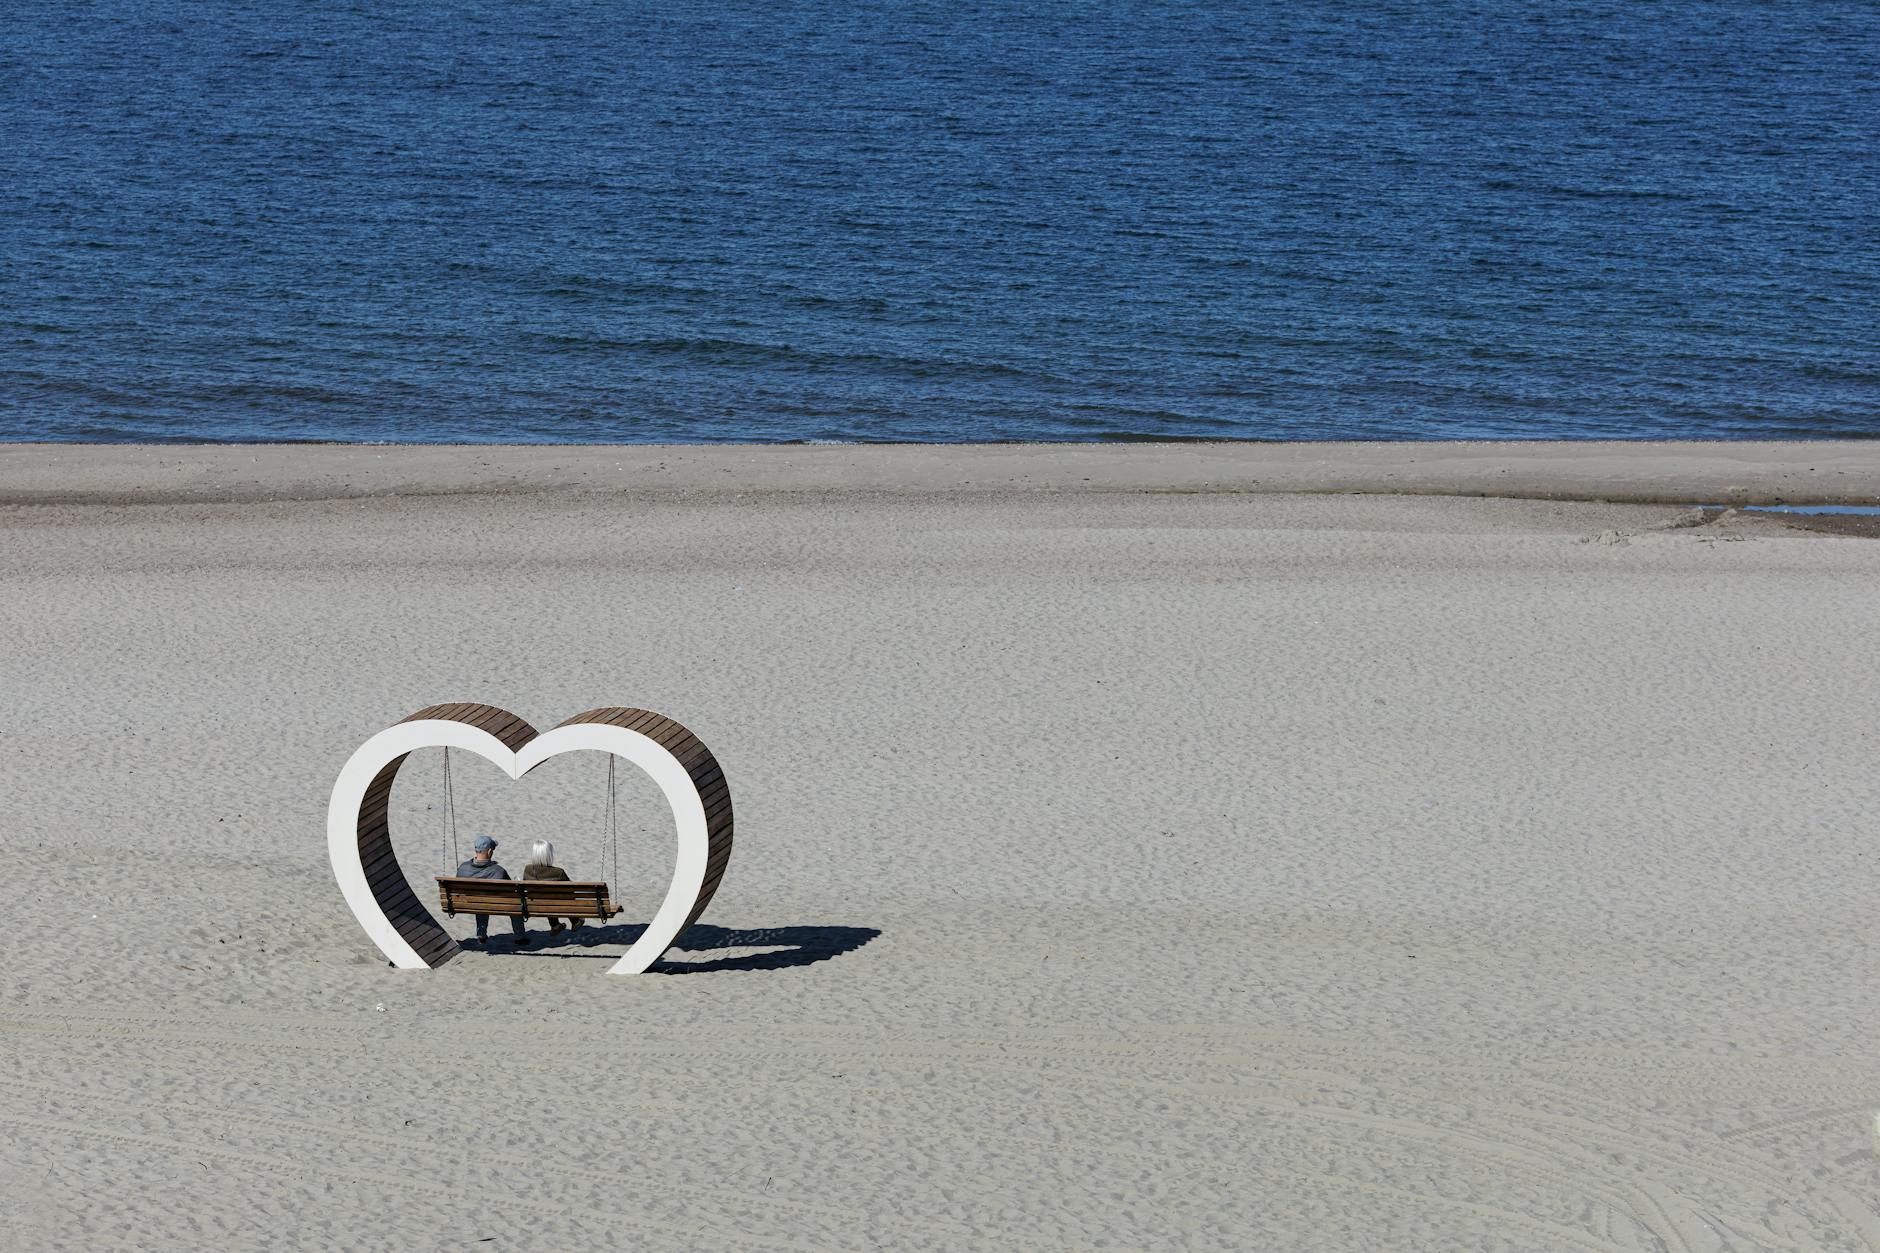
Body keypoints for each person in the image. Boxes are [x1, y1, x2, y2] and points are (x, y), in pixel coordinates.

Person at [456, 836, 529, 948]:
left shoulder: (463, 868)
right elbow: (512, 891)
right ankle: (520, 938)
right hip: (495, 904)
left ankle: (481, 935)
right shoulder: (498, 871)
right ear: (489, 851)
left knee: (480, 900)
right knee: (515, 903)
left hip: (471, 903)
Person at [522, 839, 582, 935]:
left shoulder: (527, 869)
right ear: (548, 855)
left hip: (534, 906)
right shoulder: (558, 872)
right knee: (563, 896)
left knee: (548, 896)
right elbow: (572, 889)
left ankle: (555, 925)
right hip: (554, 905)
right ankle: (575, 921)